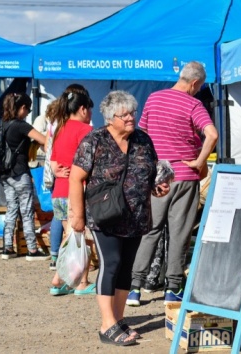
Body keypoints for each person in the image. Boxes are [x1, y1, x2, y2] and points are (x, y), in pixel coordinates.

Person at [69, 90, 169, 346]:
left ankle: (118, 318)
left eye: (132, 112)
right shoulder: (95, 140)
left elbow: (150, 174)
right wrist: (77, 217)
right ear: (110, 117)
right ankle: (107, 325)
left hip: (136, 216)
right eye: (123, 114)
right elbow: (76, 177)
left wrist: (158, 187)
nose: (129, 118)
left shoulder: (143, 140)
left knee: (127, 268)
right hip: (106, 216)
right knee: (111, 263)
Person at [128, 61, 218, 306]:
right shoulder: (194, 104)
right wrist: (200, 162)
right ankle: (173, 288)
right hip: (184, 176)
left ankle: (134, 287)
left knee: (150, 230)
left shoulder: (154, 99)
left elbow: (142, 136)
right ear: (195, 83)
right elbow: (212, 134)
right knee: (179, 234)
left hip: (157, 176)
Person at [48, 87, 96, 296]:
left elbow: (55, 159)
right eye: (90, 110)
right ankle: (60, 279)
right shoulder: (85, 131)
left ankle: (80, 281)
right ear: (83, 109)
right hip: (76, 192)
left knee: (75, 237)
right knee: (73, 237)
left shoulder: (60, 127)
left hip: (59, 190)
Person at [0, 93, 48, 261]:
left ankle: (7, 248)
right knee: (26, 211)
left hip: (5, 173)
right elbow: (43, 139)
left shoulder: (3, 123)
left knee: (11, 209)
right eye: (27, 109)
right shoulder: (21, 125)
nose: (28, 112)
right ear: (21, 108)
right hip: (20, 173)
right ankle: (32, 250)